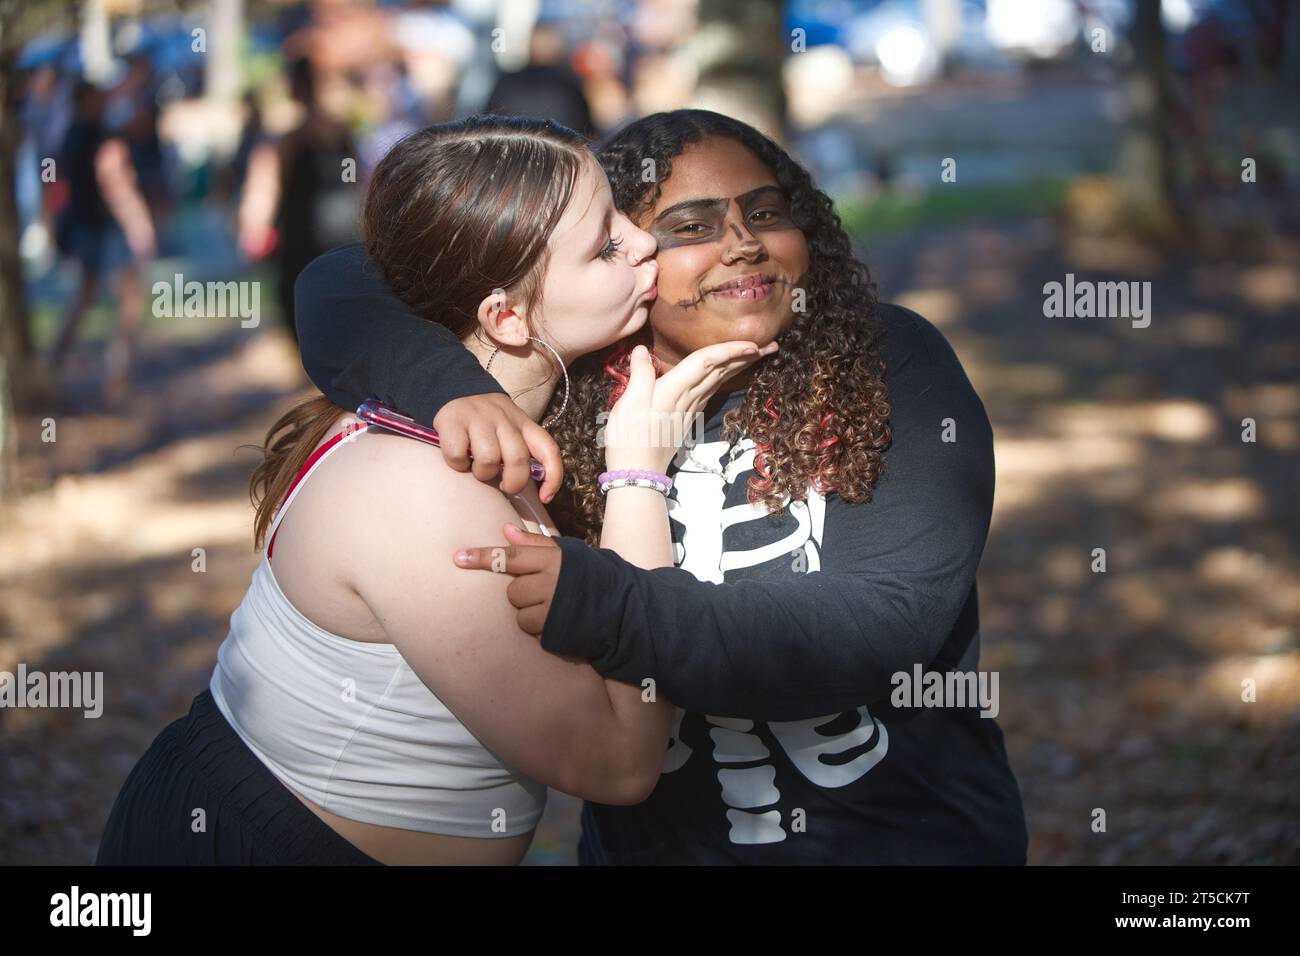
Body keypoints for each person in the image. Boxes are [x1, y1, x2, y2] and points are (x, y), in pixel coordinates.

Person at [293, 109, 1029, 864]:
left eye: (767, 213)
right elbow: (340, 282)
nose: (743, 242)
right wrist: (452, 390)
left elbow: (884, 624)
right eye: (692, 226)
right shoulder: (582, 382)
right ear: (631, 261)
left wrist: (612, 607)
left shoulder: (887, 362)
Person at [96, 115, 768, 865]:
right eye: (606, 245)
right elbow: (618, 760)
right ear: (505, 318)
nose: (644, 241)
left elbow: (348, 274)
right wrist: (639, 472)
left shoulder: (460, 406)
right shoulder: (427, 491)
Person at [50, 80, 157, 405]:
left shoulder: (71, 134)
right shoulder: (100, 138)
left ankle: (53, 365)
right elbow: (115, 182)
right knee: (128, 301)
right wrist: (137, 223)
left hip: (85, 227)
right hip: (105, 230)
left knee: (85, 299)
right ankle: (117, 381)